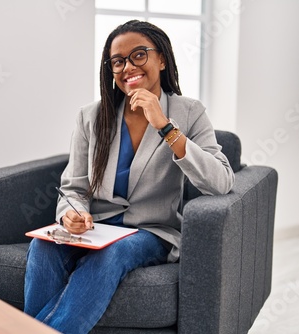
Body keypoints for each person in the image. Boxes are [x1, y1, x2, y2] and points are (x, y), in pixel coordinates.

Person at [24, 20, 235, 333]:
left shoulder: (189, 112)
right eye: (118, 61)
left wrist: (165, 126)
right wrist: (74, 213)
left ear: (161, 59)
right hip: (97, 229)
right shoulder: (91, 116)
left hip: (151, 232)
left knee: (113, 254)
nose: (127, 67)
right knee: (45, 246)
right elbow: (73, 187)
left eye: (139, 55)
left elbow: (221, 182)